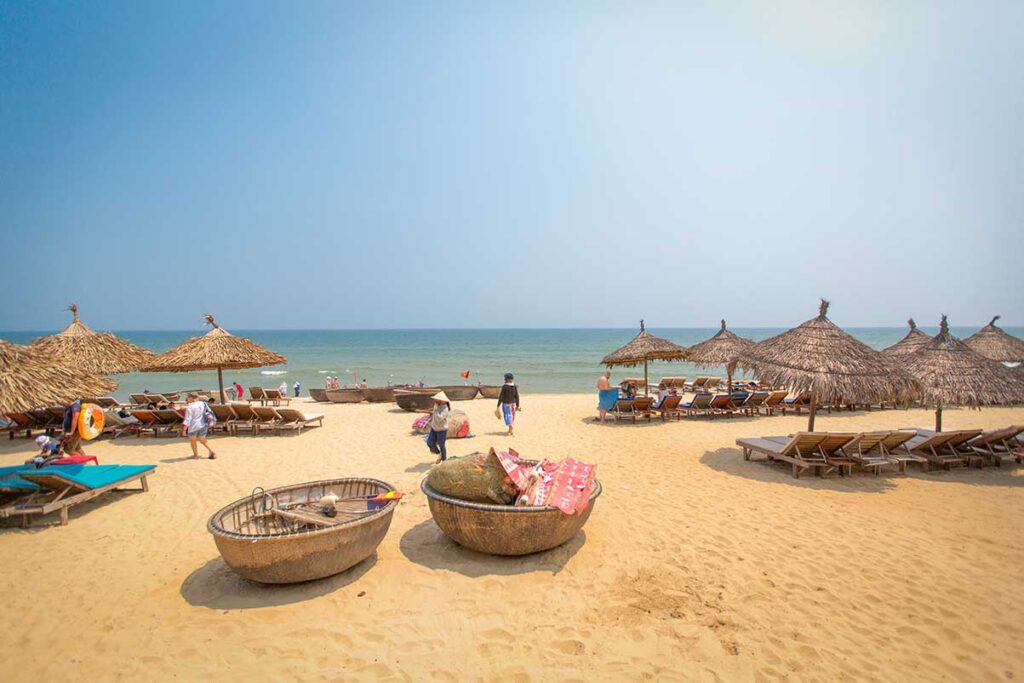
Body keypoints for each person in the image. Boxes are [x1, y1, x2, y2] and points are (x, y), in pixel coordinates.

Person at [182, 394, 216, 460]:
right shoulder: (202, 403)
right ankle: (211, 451)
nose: (187, 398)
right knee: (202, 440)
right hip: (203, 424)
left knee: (193, 441)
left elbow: (187, 419)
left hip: (193, 426)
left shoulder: (190, 407)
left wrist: (184, 430)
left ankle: (196, 456)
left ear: (191, 398)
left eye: (188, 397)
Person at [426, 392, 450, 464]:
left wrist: (435, 411)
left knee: (442, 445)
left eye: (438, 399)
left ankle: (444, 461)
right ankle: (439, 453)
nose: (436, 401)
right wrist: (432, 412)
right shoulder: (436, 404)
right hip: (434, 428)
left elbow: (439, 418)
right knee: (429, 443)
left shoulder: (445, 409)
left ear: (442, 401)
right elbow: (435, 415)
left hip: (442, 430)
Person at [497, 372, 521, 436]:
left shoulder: (505, 387)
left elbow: (501, 396)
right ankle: (510, 429)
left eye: (505, 378)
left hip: (506, 404)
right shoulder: (514, 386)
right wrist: (518, 405)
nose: (504, 380)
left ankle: (511, 428)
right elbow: (517, 396)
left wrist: (498, 405)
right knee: (512, 416)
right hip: (513, 404)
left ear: (507, 379)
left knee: (507, 416)